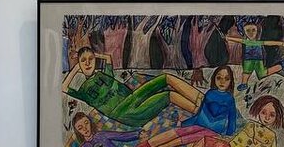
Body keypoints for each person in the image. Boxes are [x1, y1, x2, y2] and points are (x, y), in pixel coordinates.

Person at [61, 43, 201, 129]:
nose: (87, 63)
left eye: (90, 59)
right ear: (79, 64)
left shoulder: (103, 74)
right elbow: (63, 87)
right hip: (125, 113)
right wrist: (76, 68)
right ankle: (201, 112)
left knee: (166, 78)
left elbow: (108, 57)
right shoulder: (83, 91)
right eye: (83, 61)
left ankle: (203, 99)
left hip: (133, 97)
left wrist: (93, 54)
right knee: (169, 95)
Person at [134, 65, 239, 147]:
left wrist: (229, 134)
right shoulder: (210, 93)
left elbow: (232, 117)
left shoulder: (230, 99)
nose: (222, 81)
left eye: (226, 79)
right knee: (180, 132)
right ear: (214, 79)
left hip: (214, 131)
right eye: (219, 78)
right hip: (200, 124)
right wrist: (188, 122)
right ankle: (149, 144)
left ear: (231, 82)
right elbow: (201, 112)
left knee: (186, 138)